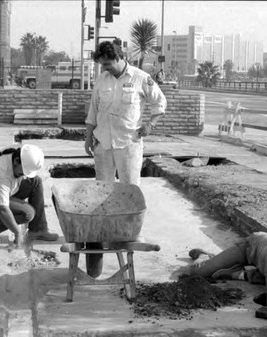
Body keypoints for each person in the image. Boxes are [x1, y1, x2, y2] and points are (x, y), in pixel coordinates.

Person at [84, 41, 167, 277]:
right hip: (103, 143)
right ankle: (110, 232)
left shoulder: (141, 78)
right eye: (102, 65)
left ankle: (131, 233)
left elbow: (160, 103)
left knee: (131, 189)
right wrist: (88, 137)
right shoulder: (102, 80)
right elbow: (93, 110)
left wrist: (150, 124)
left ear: (118, 57)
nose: (105, 68)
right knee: (104, 191)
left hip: (128, 143)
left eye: (108, 64)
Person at [185, 232, 267, 308]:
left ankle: (236, 272)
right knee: (198, 272)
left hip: (261, 262)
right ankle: (204, 256)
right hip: (248, 248)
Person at [0, 144, 59, 248]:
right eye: (23, 172)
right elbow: (3, 210)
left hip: (5, 189)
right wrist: (18, 234)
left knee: (36, 181)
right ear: (16, 161)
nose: (24, 175)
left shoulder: (16, 155)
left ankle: (38, 230)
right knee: (27, 213)